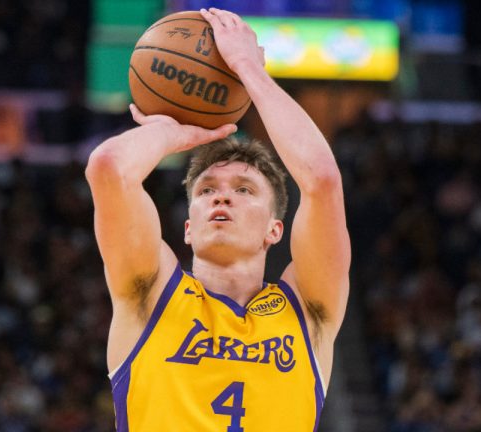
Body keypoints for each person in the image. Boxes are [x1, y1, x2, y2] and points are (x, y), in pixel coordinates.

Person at [85, 7, 350, 431]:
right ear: (188, 228)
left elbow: (321, 179)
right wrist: (174, 132)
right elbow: (108, 167)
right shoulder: (150, 293)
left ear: (275, 229)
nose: (221, 196)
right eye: (207, 190)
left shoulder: (308, 311)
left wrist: (249, 70)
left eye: (244, 190)